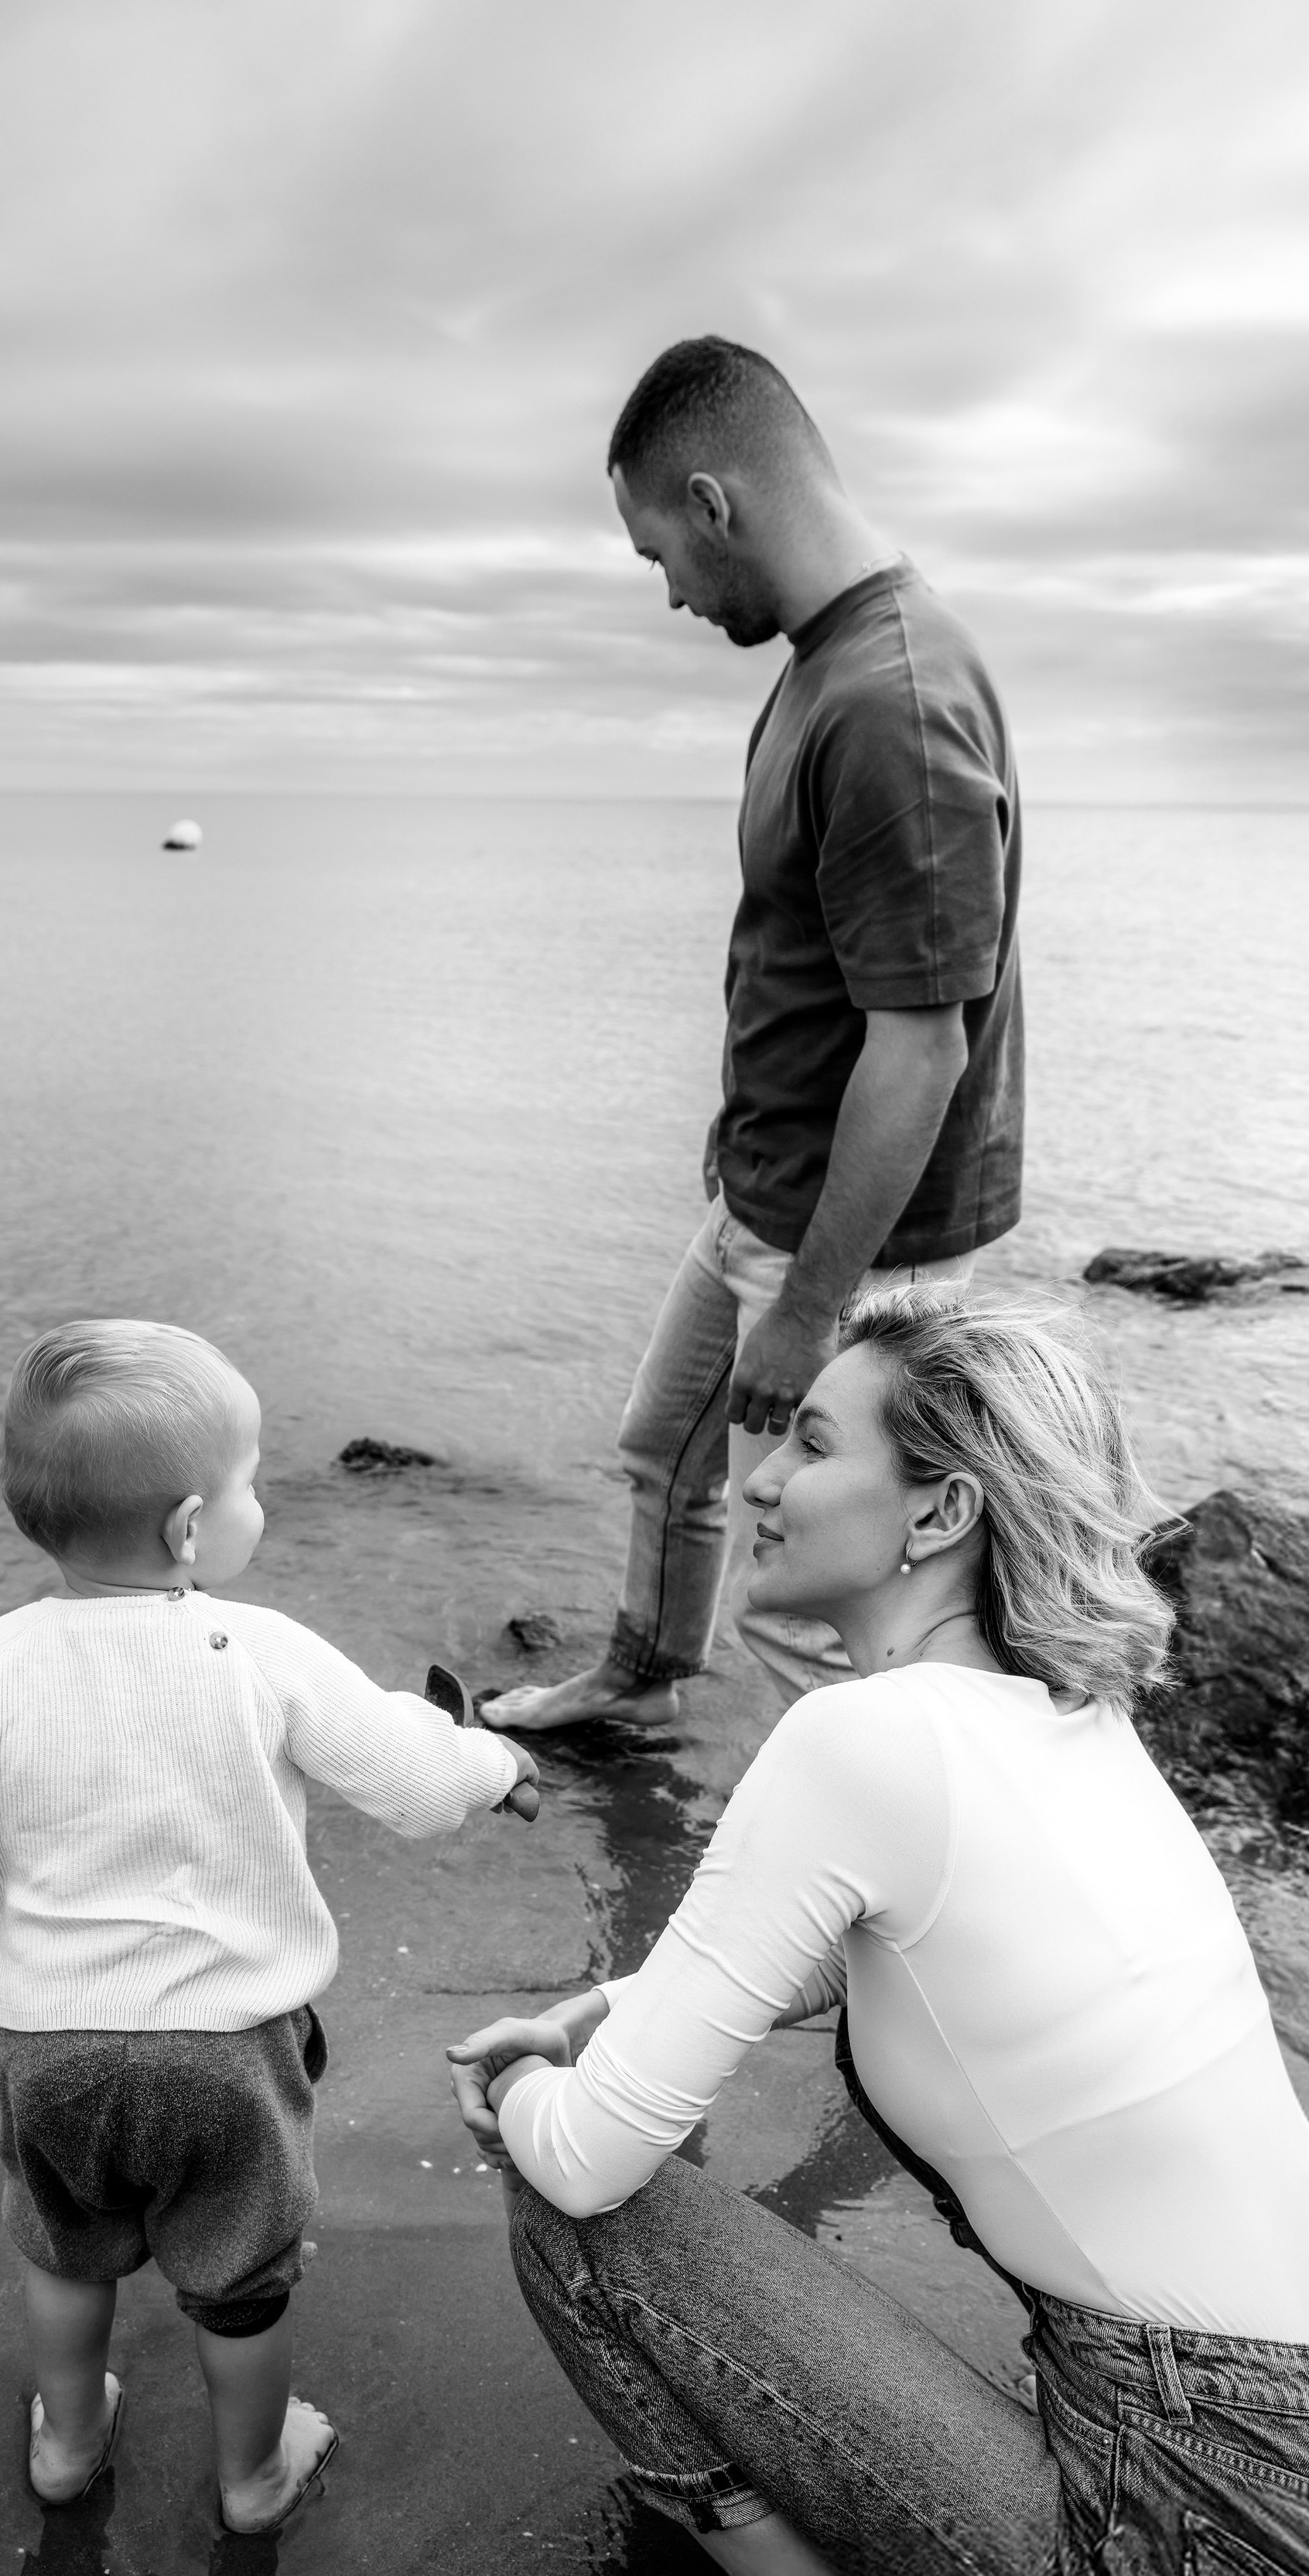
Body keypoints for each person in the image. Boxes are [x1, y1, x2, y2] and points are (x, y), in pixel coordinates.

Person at [449, 1290, 1309, 2576]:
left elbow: (589, 2163)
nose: (759, 1481)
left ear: (939, 1512)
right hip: (1291, 2424)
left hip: (1200, 2481)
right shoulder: (1070, 1714)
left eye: (812, 1444)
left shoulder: (864, 1738)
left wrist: (520, 2090)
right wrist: (610, 2011)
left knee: (571, 2219)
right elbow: (918, 1955)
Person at [0, 1318, 539, 2537]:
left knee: (65, 2253)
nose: (262, 1502)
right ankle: (253, 2477)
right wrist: (493, 1765)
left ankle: (69, 2445)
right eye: (252, 1482)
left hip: (49, 2055)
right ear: (189, 1528)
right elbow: (409, 1776)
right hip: (230, 2059)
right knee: (241, 2284)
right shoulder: (259, 1650)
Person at [484, 336, 1023, 1727]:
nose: (668, 590)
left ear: (714, 504)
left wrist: (806, 1309)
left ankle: (834, 1851)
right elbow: (804, 965)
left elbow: (925, 1047)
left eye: (658, 552)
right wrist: (737, 1148)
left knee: (815, 1599)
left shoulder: (892, 701)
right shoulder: (821, 666)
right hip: (769, 1191)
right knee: (665, 1450)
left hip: (854, 1245)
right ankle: (643, 1685)